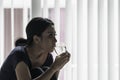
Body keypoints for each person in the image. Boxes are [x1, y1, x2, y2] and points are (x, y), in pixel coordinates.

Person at [0, 17, 70, 80]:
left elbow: (52, 78)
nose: (55, 40)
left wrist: (58, 68)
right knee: (38, 71)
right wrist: (53, 68)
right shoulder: (19, 54)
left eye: (55, 35)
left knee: (44, 70)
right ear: (36, 39)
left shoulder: (48, 57)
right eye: (50, 35)